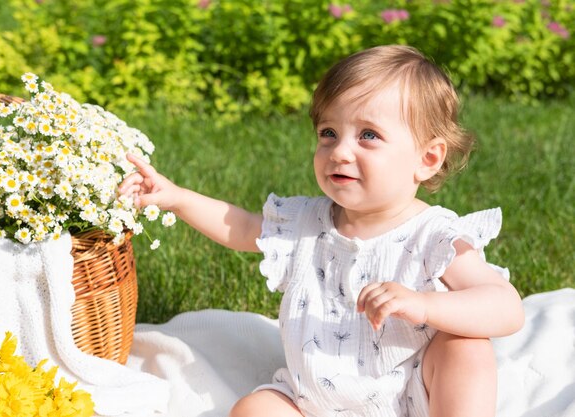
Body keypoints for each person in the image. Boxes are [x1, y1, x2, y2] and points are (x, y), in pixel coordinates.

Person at [118, 45, 525, 417]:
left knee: (466, 349)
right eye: (328, 133)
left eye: (368, 135)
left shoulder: (432, 235)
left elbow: (505, 307)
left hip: (413, 396)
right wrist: (177, 198)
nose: (340, 151)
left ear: (427, 158)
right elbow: (239, 226)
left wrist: (424, 305)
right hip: (314, 402)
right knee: (253, 410)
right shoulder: (305, 224)